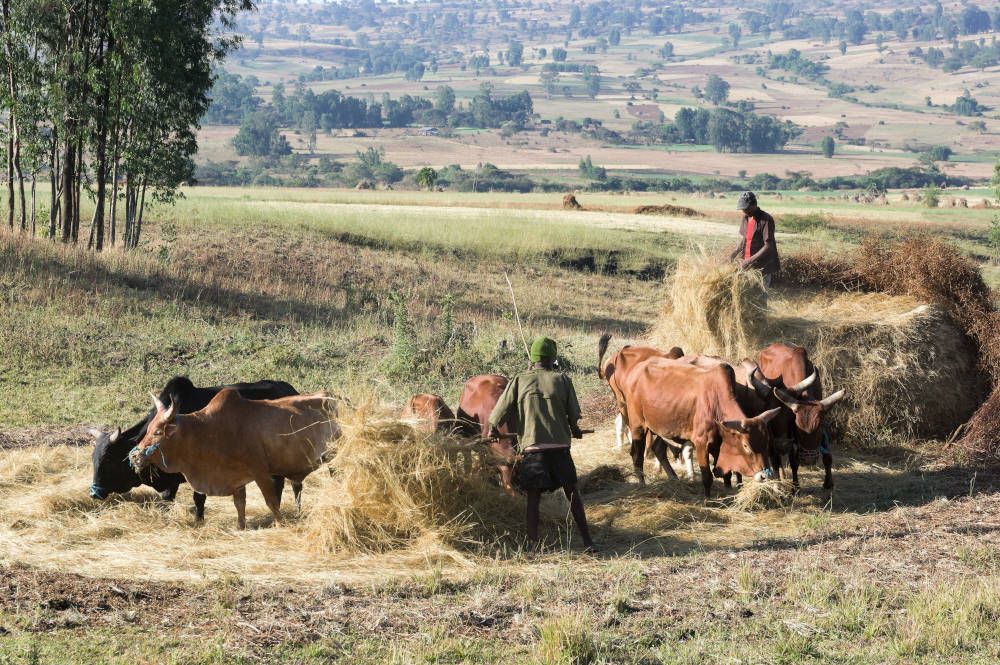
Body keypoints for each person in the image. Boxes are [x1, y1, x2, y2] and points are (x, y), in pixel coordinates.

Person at [488, 336, 595, 552]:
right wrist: (574, 431)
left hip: (533, 450)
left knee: (533, 500)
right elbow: (573, 415)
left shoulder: (519, 380)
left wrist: (492, 430)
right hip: (560, 449)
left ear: (532, 360)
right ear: (553, 359)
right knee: (573, 494)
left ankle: (533, 545)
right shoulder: (563, 380)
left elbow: (500, 410)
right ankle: (588, 542)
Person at [730, 191, 780, 291]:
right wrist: (735, 252)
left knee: (761, 296)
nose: (744, 211)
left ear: (754, 205)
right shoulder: (745, 218)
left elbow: (768, 245)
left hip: (763, 266)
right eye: (743, 209)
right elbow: (745, 238)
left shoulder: (766, 219)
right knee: (747, 296)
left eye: (746, 208)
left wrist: (749, 260)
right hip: (748, 265)